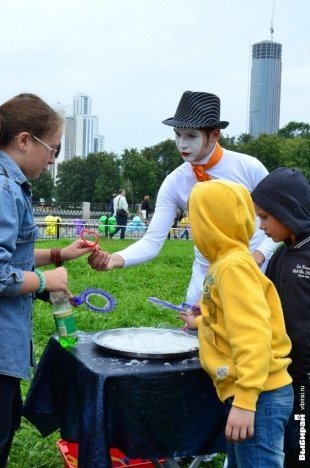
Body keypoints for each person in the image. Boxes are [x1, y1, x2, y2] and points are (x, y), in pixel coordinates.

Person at [88, 91, 276, 304]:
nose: (181, 144)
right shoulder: (174, 182)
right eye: (178, 134)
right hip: (206, 272)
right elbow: (152, 241)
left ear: (215, 135)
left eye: (191, 136)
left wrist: (259, 256)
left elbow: (279, 218)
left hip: (253, 267)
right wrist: (114, 259)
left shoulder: (249, 168)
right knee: (195, 332)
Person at [0, 93, 96, 466]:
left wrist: (58, 256)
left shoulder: (11, 186)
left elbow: (14, 256)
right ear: (24, 140)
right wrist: (44, 282)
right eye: (52, 149)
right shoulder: (5, 189)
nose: (53, 160)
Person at [180, 179, 293, 467]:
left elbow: (253, 335)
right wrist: (203, 322)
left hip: (259, 394)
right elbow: (231, 321)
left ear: (211, 224)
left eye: (195, 220)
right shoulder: (226, 264)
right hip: (253, 391)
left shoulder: (233, 268)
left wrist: (245, 401)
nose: (192, 229)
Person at [251, 167, 310, 466]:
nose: (261, 226)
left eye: (265, 217)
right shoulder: (279, 255)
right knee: (285, 446)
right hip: (282, 373)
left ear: (287, 209)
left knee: (301, 448)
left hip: (306, 378)